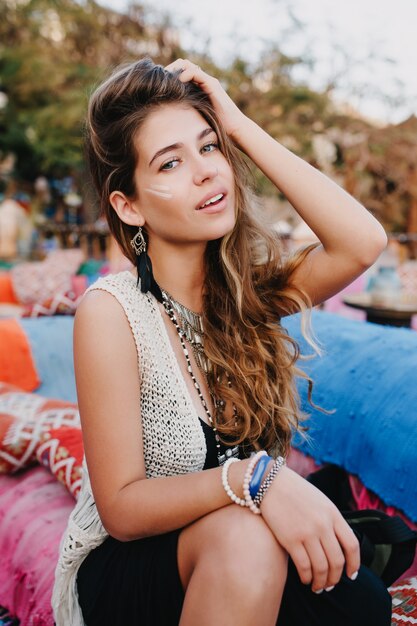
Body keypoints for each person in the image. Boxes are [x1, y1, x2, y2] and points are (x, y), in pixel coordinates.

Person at [52, 58, 391, 625]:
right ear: (128, 205)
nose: (206, 172)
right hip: (136, 568)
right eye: (171, 162)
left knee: (358, 600)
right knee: (245, 541)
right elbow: (122, 509)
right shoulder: (111, 312)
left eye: (209, 148)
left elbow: (361, 242)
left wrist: (236, 124)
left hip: (241, 553)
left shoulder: (248, 295)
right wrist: (256, 479)